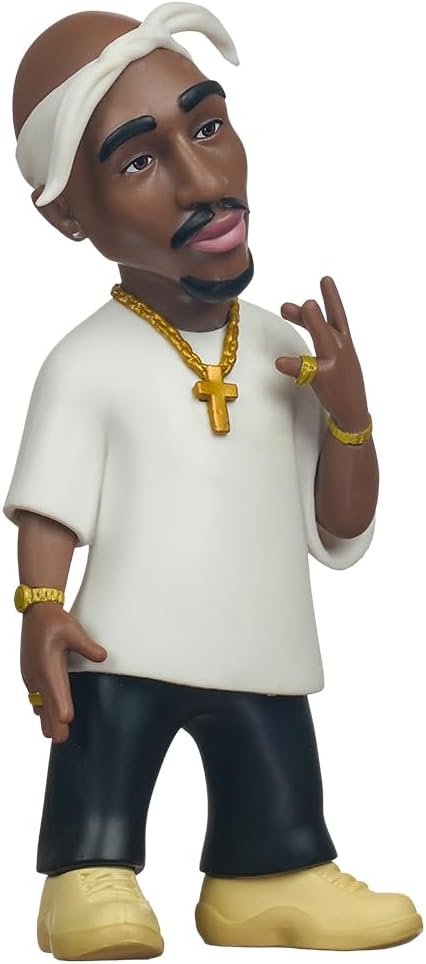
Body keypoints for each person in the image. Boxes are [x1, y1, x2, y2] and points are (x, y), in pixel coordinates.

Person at [4, 3, 422, 960]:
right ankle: (89, 872)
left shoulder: (286, 350)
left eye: (207, 126)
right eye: (138, 161)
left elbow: (341, 530)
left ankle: (267, 876)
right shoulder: (86, 364)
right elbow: (50, 507)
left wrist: (350, 417)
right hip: (121, 645)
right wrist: (40, 608)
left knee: (274, 779)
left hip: (261, 645)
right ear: (68, 215)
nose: (205, 182)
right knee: (99, 754)